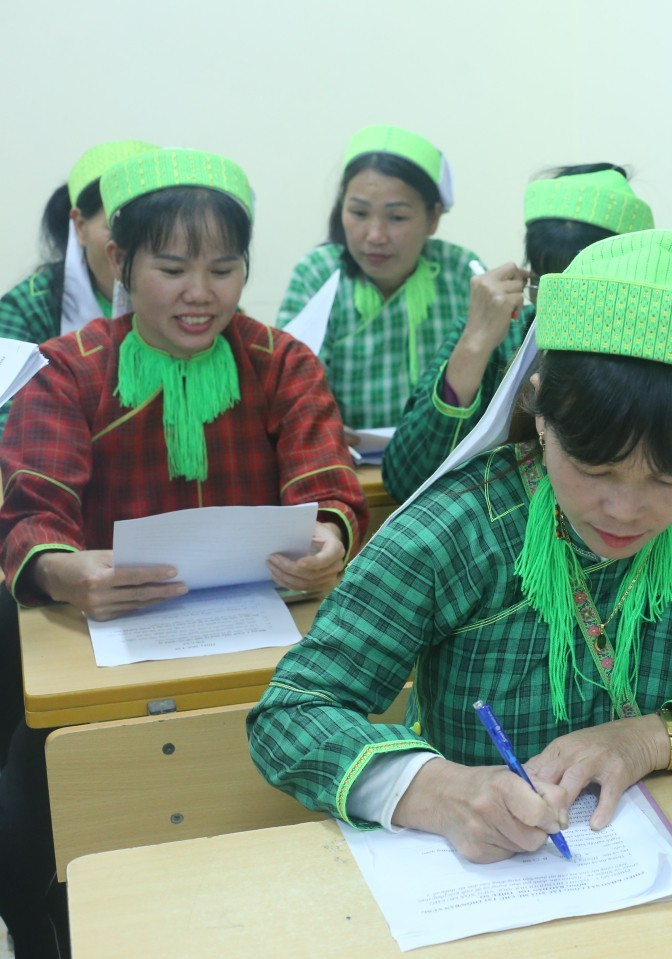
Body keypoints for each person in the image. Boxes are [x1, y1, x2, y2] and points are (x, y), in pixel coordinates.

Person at [250, 229, 672, 863]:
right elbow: (292, 711)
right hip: (496, 872)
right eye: (594, 468)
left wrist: (656, 738)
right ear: (538, 410)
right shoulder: (460, 527)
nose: (625, 509)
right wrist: (439, 792)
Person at [0, 148, 369, 959]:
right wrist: (66, 568)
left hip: (267, 656)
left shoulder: (281, 363)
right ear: (120, 262)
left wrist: (329, 539)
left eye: (224, 268)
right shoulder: (66, 371)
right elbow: (32, 509)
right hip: (109, 664)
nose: (201, 293)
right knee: (36, 800)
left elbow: (328, 476)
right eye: (171, 267)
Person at [382, 163, 653, 501]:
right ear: (530, 276)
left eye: (583, 287)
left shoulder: (653, 357)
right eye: (548, 281)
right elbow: (405, 480)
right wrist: (475, 343)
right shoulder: (500, 336)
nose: (564, 304)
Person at [276, 124, 486, 429]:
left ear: (433, 218)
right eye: (359, 213)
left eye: (397, 217)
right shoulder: (317, 274)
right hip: (341, 462)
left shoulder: (461, 273)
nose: (375, 236)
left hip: (440, 462)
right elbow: (290, 388)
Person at [0, 139, 157, 435]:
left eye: (155, 229)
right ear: (80, 226)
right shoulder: (26, 308)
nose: (136, 243)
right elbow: (4, 422)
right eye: (118, 226)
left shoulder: (195, 300)